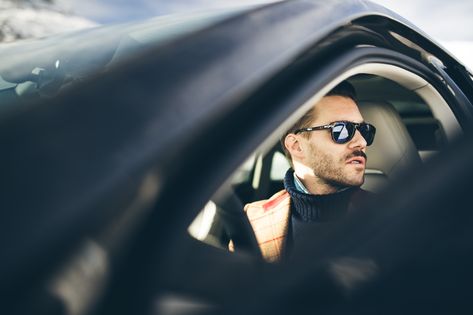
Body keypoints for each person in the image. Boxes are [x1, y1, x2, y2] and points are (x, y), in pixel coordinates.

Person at [244, 81, 376, 262]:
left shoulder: (392, 214)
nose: (361, 142)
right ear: (297, 146)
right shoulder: (254, 221)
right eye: (341, 130)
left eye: (363, 130)